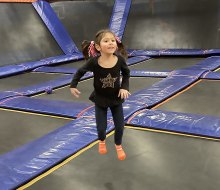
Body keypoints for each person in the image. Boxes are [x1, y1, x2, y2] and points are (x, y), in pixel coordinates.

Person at [70, 29, 130, 160]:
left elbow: (126, 73)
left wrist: (124, 87)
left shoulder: (119, 60)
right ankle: (101, 141)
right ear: (98, 47)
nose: (110, 43)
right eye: (106, 41)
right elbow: (80, 71)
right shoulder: (94, 62)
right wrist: (73, 85)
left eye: (113, 40)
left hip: (116, 99)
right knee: (101, 128)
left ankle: (118, 146)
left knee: (120, 126)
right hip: (100, 99)